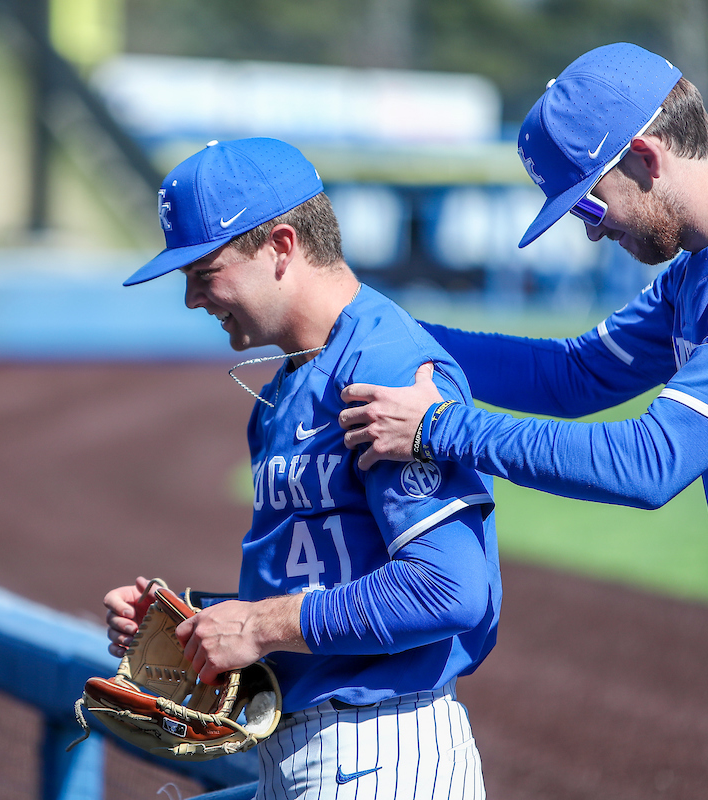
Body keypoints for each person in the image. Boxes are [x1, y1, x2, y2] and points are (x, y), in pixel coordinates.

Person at [337, 42, 708, 798]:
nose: (588, 229)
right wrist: (375, 327)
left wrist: (441, 427)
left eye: (588, 202)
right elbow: (573, 375)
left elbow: (650, 464)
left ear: (647, 157)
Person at [104, 137, 501, 798]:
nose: (193, 299)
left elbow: (449, 590)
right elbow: (315, 578)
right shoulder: (284, 387)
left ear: (281, 247)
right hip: (307, 754)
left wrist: (257, 626)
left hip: (382, 753)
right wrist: (190, 621)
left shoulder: (389, 368)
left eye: (204, 273)